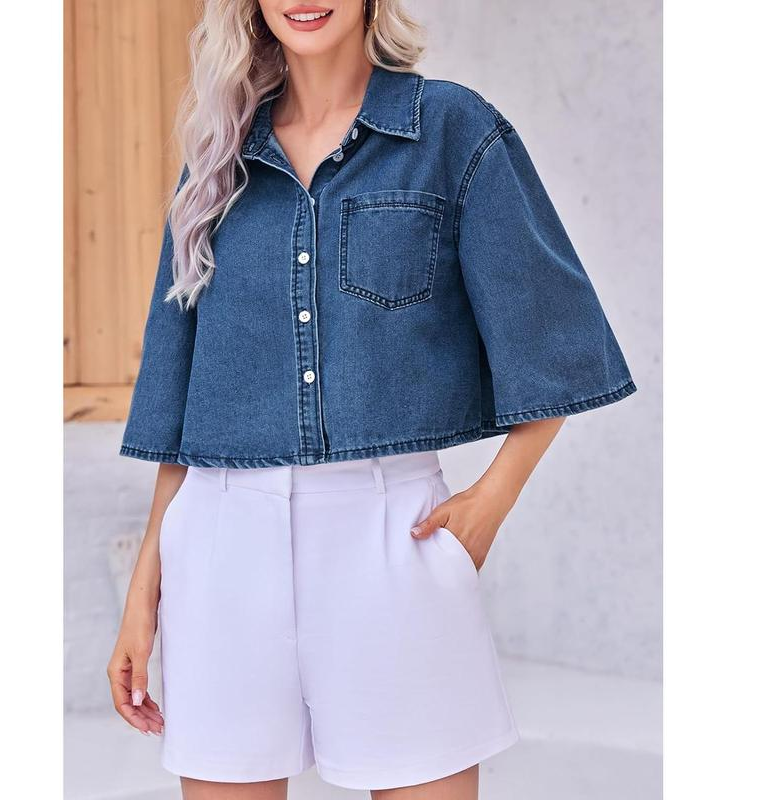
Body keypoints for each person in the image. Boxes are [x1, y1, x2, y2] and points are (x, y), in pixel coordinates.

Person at [107, 1, 636, 798]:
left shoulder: (450, 129)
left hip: (388, 536)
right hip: (219, 545)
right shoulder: (218, 160)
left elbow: (554, 332)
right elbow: (179, 397)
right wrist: (145, 585)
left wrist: (491, 501)